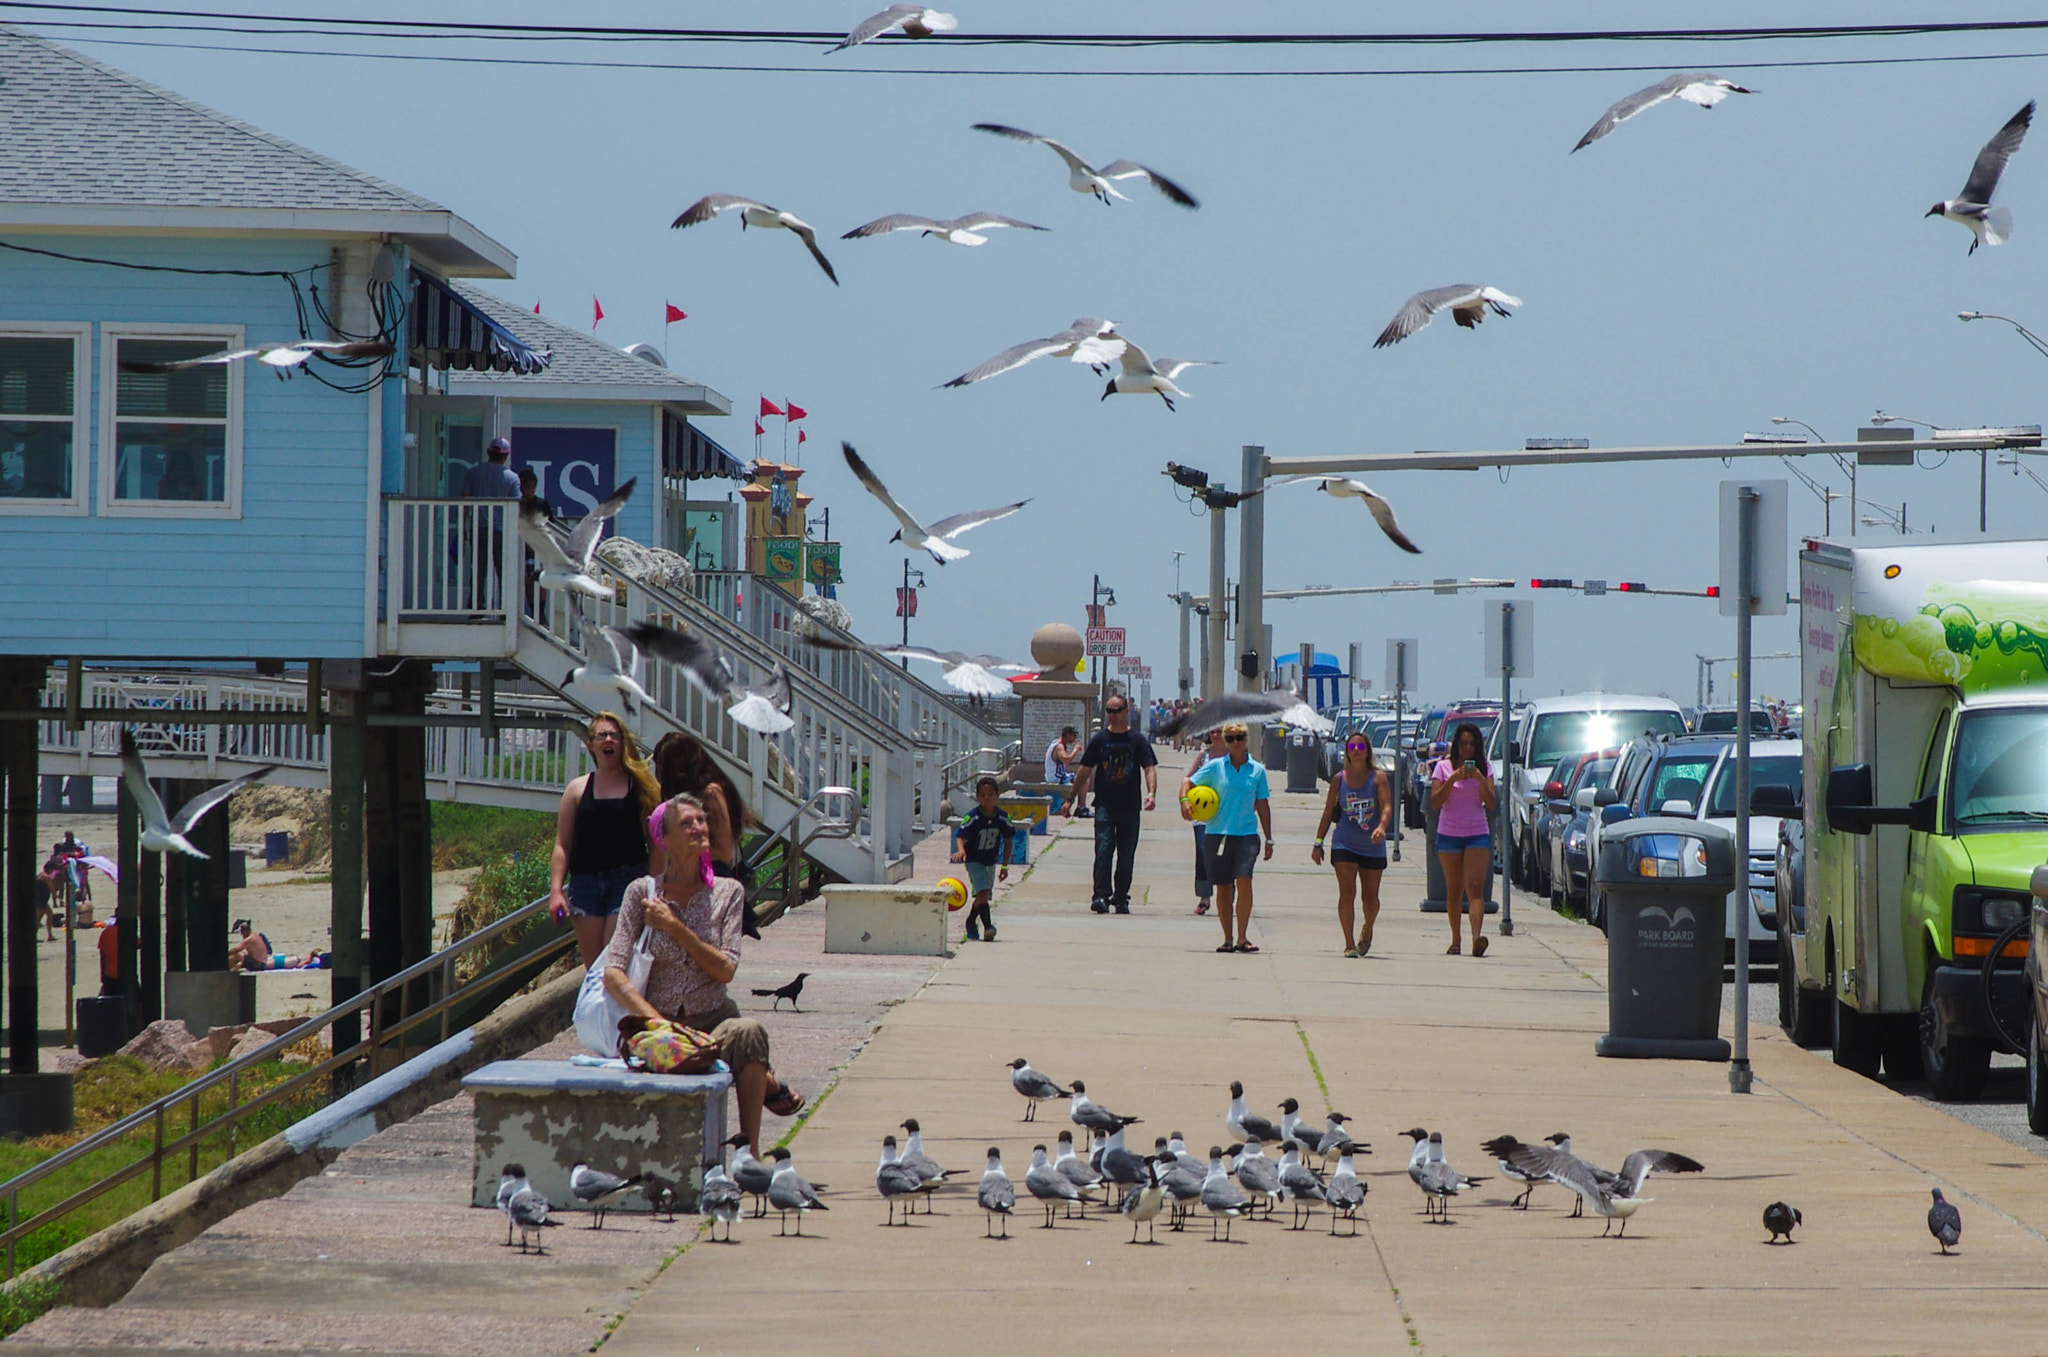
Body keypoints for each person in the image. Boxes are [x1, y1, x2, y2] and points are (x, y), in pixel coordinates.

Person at [600, 793, 800, 1157]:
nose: (698, 828)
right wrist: (659, 1024)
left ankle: (748, 1155)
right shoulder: (640, 893)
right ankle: (767, 1086)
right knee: (669, 1053)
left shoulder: (728, 892)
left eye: (701, 821)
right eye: (687, 823)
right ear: (666, 838)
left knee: (749, 1032)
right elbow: (612, 973)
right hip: (656, 1025)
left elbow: (725, 969)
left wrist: (676, 928)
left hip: (711, 1024)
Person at [549, 712, 661, 967]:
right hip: (585, 883)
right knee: (593, 966)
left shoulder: (641, 787)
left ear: (622, 742)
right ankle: (597, 1008)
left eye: (614, 735)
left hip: (628, 881)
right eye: (602, 735)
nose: (608, 740)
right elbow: (562, 845)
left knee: (613, 961)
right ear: (591, 744)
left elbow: (656, 845)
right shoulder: (577, 789)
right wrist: (556, 890)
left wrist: (654, 886)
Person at [1180, 723, 1273, 953]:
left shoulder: (1257, 770)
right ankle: (1228, 938)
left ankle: (1242, 937)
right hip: (1217, 834)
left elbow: (1262, 804)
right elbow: (1187, 782)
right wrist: (1184, 802)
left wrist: (1269, 838)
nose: (1236, 742)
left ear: (1246, 739)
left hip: (1247, 835)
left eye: (1239, 737)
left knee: (1244, 880)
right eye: (1230, 738)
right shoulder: (1214, 767)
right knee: (1223, 887)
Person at [1063, 693, 1158, 914]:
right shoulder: (1100, 740)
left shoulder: (1137, 740)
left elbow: (1149, 767)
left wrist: (1151, 793)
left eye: (1116, 711)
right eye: (1109, 711)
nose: (1112, 715)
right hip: (1105, 804)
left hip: (1130, 806)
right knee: (1104, 850)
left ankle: (1121, 897)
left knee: (1126, 855)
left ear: (1126, 712)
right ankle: (1100, 896)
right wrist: (1070, 799)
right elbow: (1085, 769)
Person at [1312, 729, 1393, 957]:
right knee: (1347, 893)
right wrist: (1318, 842)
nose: (1356, 751)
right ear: (1346, 753)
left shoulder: (1378, 778)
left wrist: (1382, 827)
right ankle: (1348, 943)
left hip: (1372, 845)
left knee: (1370, 899)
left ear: (1368, 752)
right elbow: (1328, 812)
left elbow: (1386, 806)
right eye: (1352, 748)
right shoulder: (1339, 780)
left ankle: (1367, 929)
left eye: (1361, 747)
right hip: (1344, 844)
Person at [1431, 721, 1498, 957]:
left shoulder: (1485, 769)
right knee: (1454, 889)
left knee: (1475, 887)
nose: (1467, 748)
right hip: (1449, 834)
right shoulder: (1442, 768)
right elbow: (1436, 801)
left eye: (1472, 744)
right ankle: (1455, 939)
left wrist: (1479, 778)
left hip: (1477, 833)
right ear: (1456, 745)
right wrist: (1453, 779)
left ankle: (1477, 937)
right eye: (1463, 744)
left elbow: (1491, 803)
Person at [951, 776, 1013, 941]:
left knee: (982, 896)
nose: (987, 798)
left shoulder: (1001, 818)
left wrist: (1004, 866)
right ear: (978, 797)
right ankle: (988, 927)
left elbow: (1008, 841)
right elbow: (960, 836)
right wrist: (961, 850)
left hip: (990, 860)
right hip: (973, 860)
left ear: (997, 796)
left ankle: (971, 922)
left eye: (990, 795)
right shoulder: (973, 817)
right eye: (983, 795)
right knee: (983, 891)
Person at [460, 436, 519, 606]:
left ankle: (476, 606)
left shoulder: (473, 473)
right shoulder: (512, 478)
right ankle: (504, 608)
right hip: (502, 531)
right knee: (503, 571)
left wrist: (463, 526)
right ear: (506, 456)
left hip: (479, 527)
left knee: (478, 570)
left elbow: (464, 501)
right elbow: (516, 507)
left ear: (488, 453)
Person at [1189, 726, 1229, 916]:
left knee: (1227, 855)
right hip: (1202, 815)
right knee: (1203, 851)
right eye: (1212, 732)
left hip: (1227, 815)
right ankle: (1204, 897)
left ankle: (1228, 895)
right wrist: (1185, 801)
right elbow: (1188, 779)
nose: (1215, 735)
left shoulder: (1234, 756)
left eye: (1219, 731)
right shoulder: (1203, 756)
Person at [1043, 725, 1081, 790]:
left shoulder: (1056, 743)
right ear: (1068, 735)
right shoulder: (1059, 746)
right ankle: (1081, 800)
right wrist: (1075, 749)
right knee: (1084, 780)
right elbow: (1067, 761)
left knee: (1079, 777)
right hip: (1056, 778)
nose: (1075, 739)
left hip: (1055, 776)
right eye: (1074, 736)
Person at [97, 913, 120, 996]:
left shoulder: (106, 932)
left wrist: (102, 974)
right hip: (126, 974)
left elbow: (102, 956)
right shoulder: (128, 932)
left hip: (109, 973)